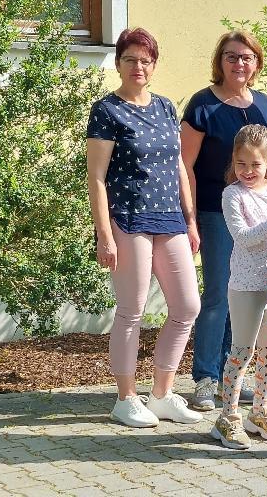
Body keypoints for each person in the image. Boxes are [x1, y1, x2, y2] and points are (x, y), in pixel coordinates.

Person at [87, 27, 202, 428]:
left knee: (187, 306)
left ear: (154, 66)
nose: (139, 66)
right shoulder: (106, 110)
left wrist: (190, 220)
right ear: (118, 63)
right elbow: (97, 178)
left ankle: (162, 394)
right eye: (131, 59)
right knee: (131, 311)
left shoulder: (167, 108)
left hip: (170, 219)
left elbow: (178, 168)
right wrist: (104, 234)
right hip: (129, 220)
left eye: (146, 60)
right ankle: (125, 399)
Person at [181, 31, 267, 411]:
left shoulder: (264, 105)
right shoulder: (202, 105)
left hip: (260, 214)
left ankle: (232, 376)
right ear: (219, 61)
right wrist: (190, 218)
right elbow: (184, 166)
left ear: (256, 63)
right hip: (215, 210)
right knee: (219, 294)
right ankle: (205, 377)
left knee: (246, 294)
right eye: (231, 57)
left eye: (247, 57)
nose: (239, 64)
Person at [210, 125, 267, 449]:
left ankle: (259, 412)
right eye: (241, 163)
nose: (247, 171)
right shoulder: (232, 194)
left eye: (255, 165)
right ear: (234, 160)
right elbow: (244, 238)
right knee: (241, 353)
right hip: (246, 286)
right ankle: (227, 418)